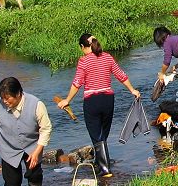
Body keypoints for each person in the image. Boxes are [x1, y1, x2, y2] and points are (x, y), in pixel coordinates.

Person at [58, 34, 141, 178]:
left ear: (83, 47)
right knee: (103, 133)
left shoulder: (84, 61)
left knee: (97, 135)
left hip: (92, 101)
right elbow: (121, 74)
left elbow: (77, 82)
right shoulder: (107, 57)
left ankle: (105, 169)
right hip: (108, 99)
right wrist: (132, 90)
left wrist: (67, 100)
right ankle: (99, 162)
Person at [153, 25, 178, 103]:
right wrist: (177, 66)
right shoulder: (175, 39)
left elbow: (167, 60)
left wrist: (162, 73)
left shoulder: (167, 42)